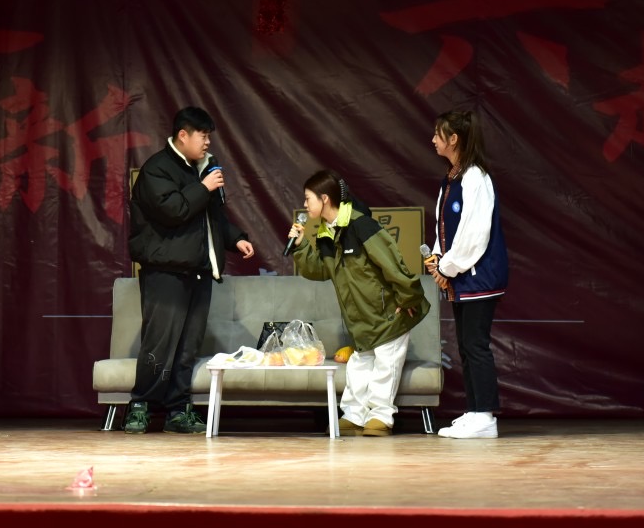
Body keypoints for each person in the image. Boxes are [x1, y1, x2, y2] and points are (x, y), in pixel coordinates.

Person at [124, 106, 255, 434]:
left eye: (209, 136)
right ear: (183, 135)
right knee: (160, 342)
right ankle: (140, 406)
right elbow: (173, 210)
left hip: (198, 269)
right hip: (165, 271)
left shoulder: (205, 169)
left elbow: (212, 218)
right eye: (203, 135)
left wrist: (235, 238)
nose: (208, 142)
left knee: (187, 347)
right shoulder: (157, 169)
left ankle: (178, 410)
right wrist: (204, 187)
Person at [287, 169, 430, 437]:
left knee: (386, 365)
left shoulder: (361, 225)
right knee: (359, 365)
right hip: (360, 318)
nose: (304, 205)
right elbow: (320, 270)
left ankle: (380, 417)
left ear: (325, 198)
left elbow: (393, 263)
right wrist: (300, 245)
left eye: (308, 198)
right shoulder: (325, 234)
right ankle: (354, 415)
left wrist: (408, 297)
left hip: (388, 314)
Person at [425, 110, 509, 439]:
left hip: (479, 276)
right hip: (461, 275)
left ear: (454, 139)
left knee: (476, 345)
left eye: (438, 134)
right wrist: (437, 258)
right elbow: (443, 227)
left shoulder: (476, 177)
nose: (433, 140)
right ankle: (474, 411)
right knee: (465, 346)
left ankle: (485, 416)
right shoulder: (451, 178)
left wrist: (447, 268)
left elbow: (475, 234)